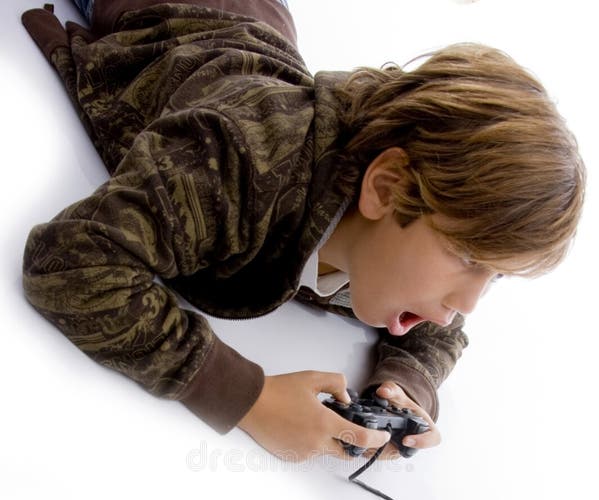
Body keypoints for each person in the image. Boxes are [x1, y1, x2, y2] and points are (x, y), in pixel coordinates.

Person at [21, 0, 585, 461]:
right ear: (385, 189)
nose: (465, 303)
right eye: (465, 256)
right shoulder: (240, 160)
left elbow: (439, 325)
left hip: (261, 24)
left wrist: (407, 383)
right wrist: (250, 397)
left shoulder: (395, 244)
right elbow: (73, 259)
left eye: (494, 274)